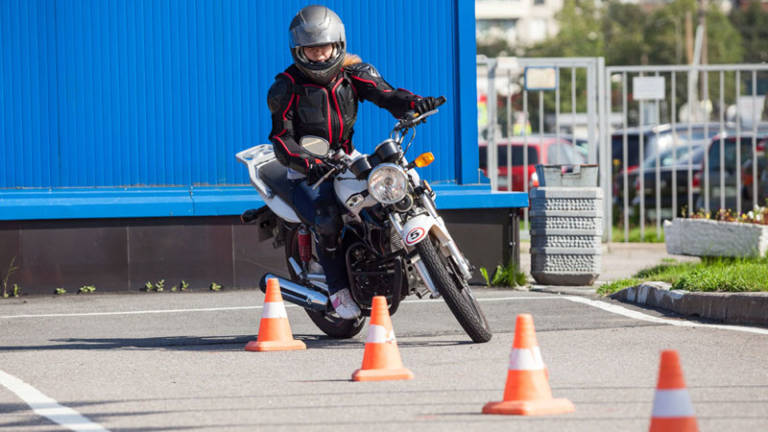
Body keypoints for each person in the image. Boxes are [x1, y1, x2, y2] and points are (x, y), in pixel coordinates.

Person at [266, 5, 440, 319]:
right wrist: (307, 163)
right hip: (306, 170)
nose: (319, 56)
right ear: (298, 51)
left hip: (346, 157)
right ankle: (338, 290)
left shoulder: (353, 73)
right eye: (311, 50)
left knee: (399, 183)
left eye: (324, 48)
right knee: (327, 217)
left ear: (338, 45)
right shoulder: (286, 87)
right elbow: (281, 138)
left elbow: (386, 95)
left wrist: (415, 104)